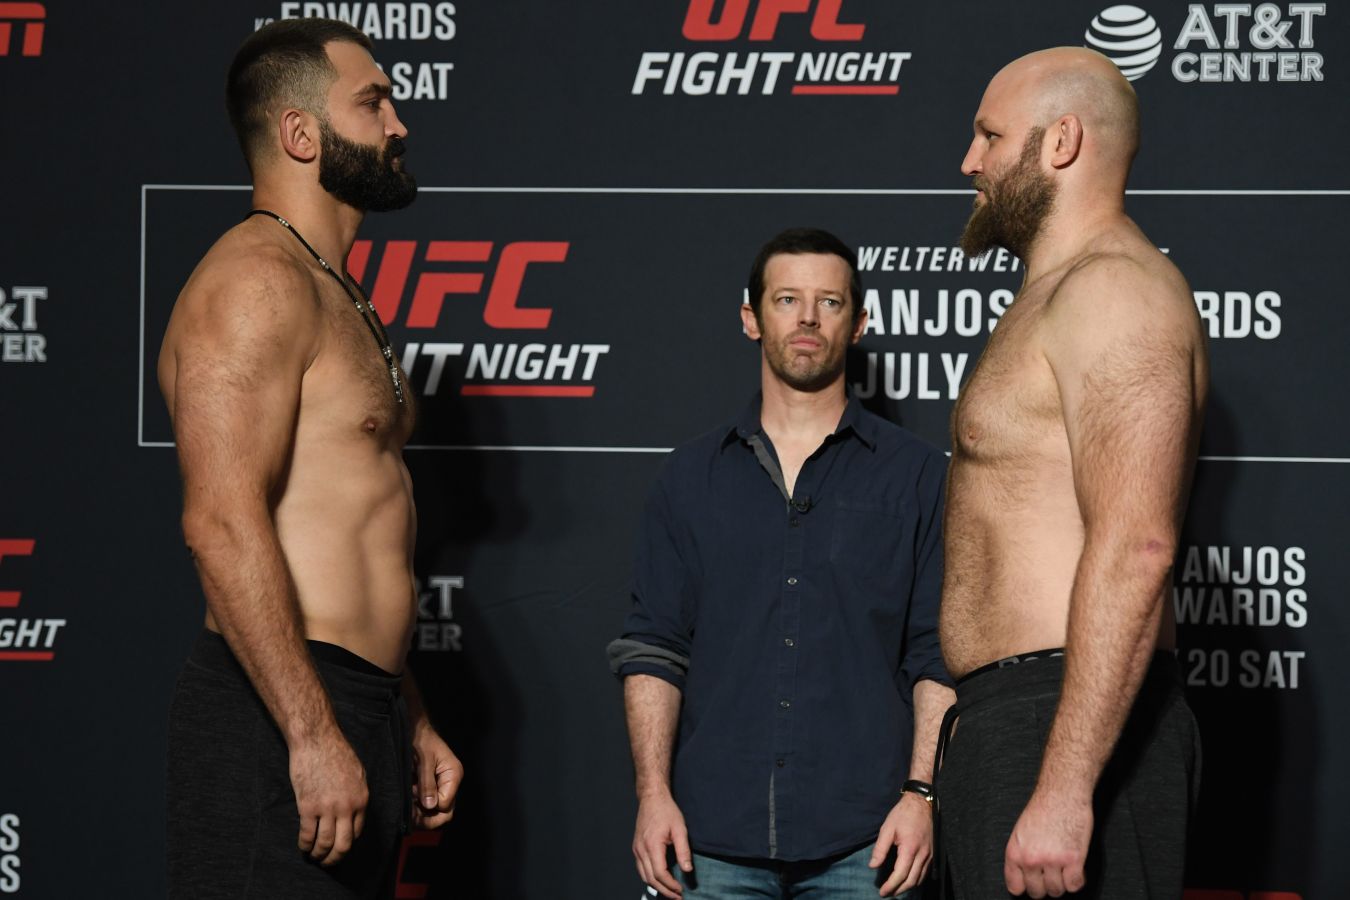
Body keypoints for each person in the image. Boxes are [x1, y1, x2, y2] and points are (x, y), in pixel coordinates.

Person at [157, 18, 461, 899]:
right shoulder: (256, 283)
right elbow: (220, 523)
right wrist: (310, 732)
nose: (399, 123)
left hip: (353, 704)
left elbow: (351, 526)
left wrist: (408, 714)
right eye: (373, 103)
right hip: (276, 714)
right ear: (300, 132)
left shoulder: (336, 293)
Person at [609, 228, 955, 899]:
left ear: (858, 324)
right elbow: (654, 648)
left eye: (830, 302)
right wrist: (652, 794)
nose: (807, 318)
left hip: (869, 838)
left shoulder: (917, 476)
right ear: (751, 318)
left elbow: (937, 653)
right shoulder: (689, 478)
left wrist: (922, 796)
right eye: (787, 299)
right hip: (709, 835)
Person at [936, 47, 1208, 899]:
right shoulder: (1052, 295)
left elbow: (1138, 546)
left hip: (1066, 723)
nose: (969, 161)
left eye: (989, 136)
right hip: (1012, 722)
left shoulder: (1113, 291)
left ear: (1061, 141)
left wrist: (1063, 787)